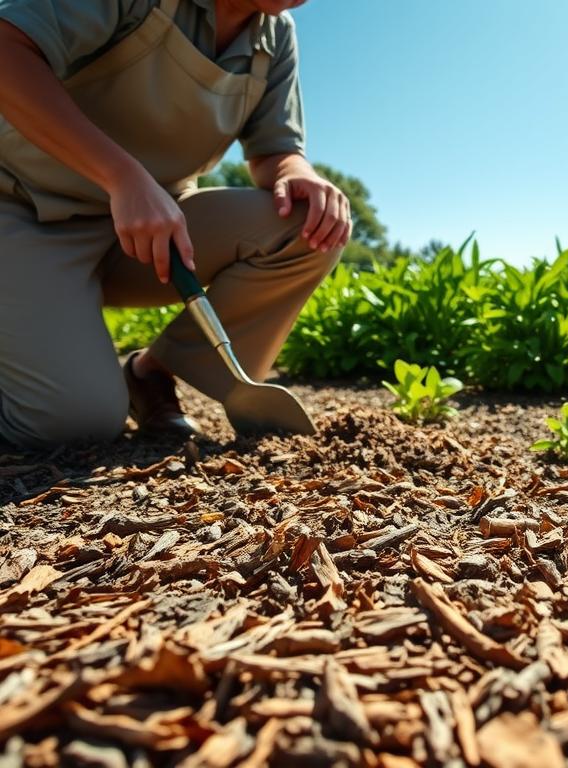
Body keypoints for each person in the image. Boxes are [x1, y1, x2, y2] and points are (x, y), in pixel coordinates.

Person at [0, 0, 350, 448]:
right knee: (73, 424)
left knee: (310, 226)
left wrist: (295, 173)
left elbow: (273, 151)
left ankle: (151, 374)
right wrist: (120, 176)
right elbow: (9, 48)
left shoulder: (276, 34)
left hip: (149, 230)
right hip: (25, 211)